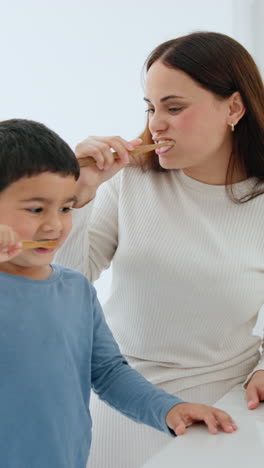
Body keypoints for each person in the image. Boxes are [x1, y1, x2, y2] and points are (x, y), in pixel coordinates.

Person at [55, 31, 264, 468]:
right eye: (151, 108)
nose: (155, 124)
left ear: (234, 107)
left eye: (174, 107)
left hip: (220, 411)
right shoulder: (130, 181)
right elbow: (66, 283)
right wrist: (80, 196)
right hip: (117, 393)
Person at [0, 118, 237, 468]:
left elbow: (109, 372)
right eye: (36, 209)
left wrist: (168, 408)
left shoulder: (75, 290)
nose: (54, 225)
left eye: (65, 207)